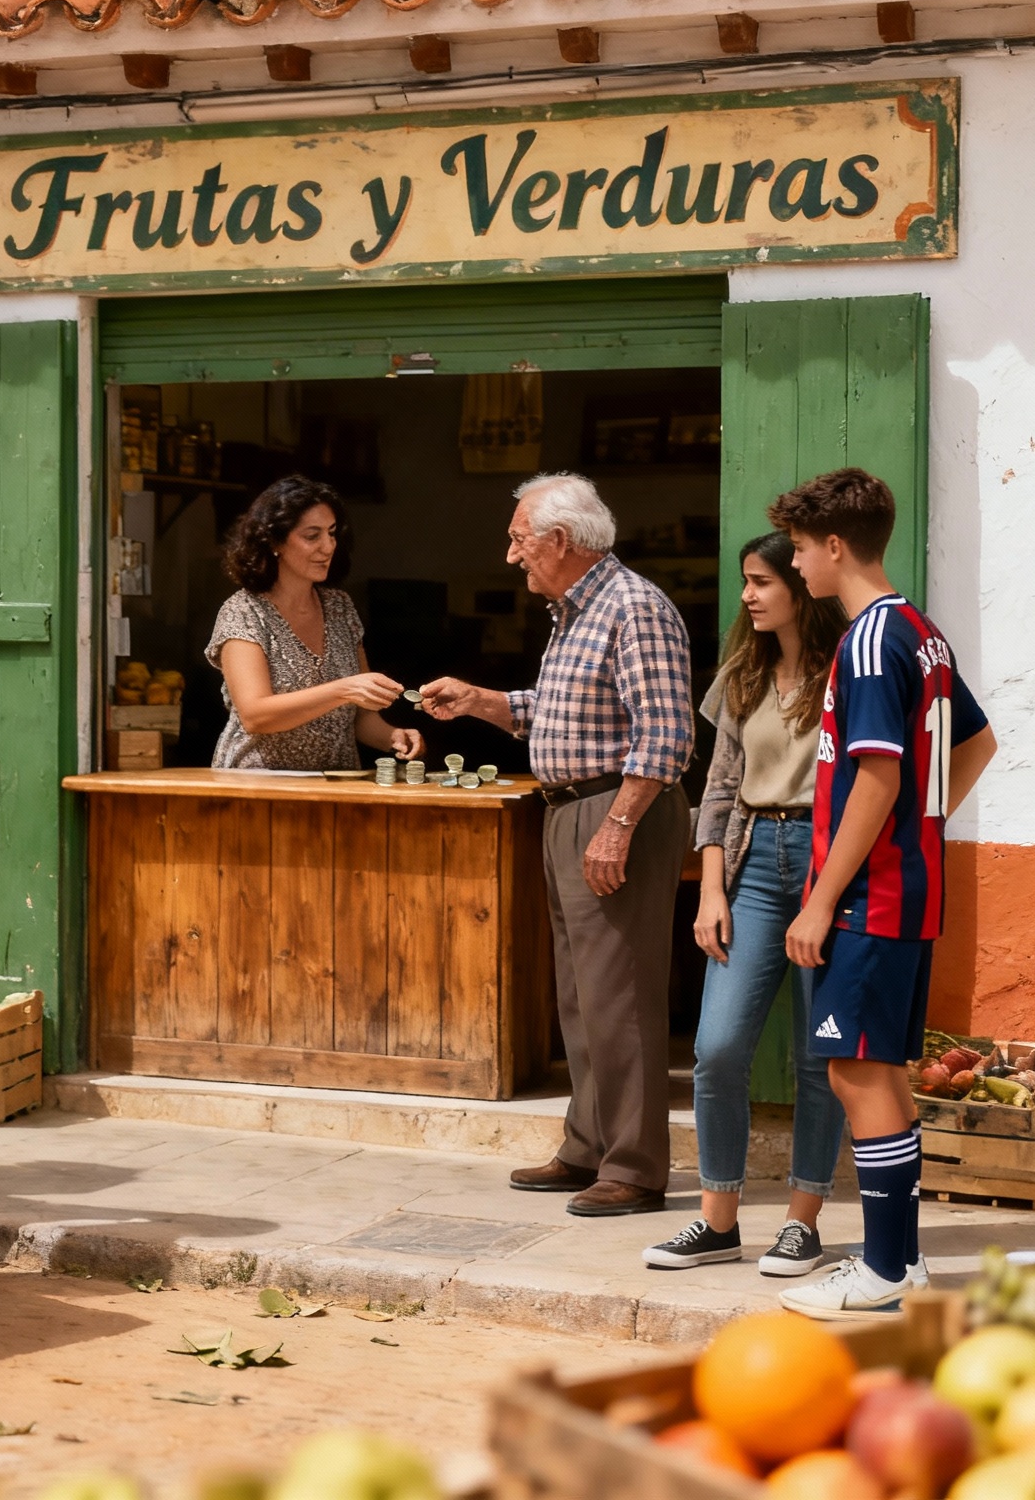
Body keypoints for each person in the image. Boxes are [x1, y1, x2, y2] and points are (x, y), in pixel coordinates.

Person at [421, 472, 694, 1219]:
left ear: (561, 541)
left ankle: (635, 1169)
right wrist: (481, 702)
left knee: (622, 995)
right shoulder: (577, 611)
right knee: (581, 996)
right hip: (572, 806)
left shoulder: (633, 607)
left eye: (518, 540)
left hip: (615, 810)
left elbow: (666, 734)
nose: (512, 557)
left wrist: (618, 824)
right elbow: (573, 712)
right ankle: (588, 1146)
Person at [768, 469, 995, 1320]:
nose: (794, 567)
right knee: (880, 1074)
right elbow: (976, 744)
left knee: (855, 1072)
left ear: (834, 545)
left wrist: (821, 899)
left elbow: (876, 774)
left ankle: (884, 1269)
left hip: (869, 898)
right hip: (909, 888)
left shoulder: (868, 640)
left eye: (797, 550)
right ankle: (901, 1263)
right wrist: (920, 831)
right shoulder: (921, 633)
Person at [642, 533, 847, 1278]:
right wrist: (712, 889)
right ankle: (718, 1221)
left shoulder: (848, 673)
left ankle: (802, 1221)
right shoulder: (742, 676)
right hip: (756, 861)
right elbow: (720, 790)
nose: (749, 596)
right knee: (718, 1047)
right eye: (745, 583)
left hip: (831, 871)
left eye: (761, 581)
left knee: (819, 1058)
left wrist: (826, 895)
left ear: (800, 584)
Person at [207, 475, 423, 770]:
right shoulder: (244, 612)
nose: (328, 546)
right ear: (274, 541)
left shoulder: (339, 607)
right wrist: (344, 689)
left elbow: (362, 717)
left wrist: (393, 736)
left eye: (332, 533)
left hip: (335, 790)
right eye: (312, 536)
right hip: (259, 789)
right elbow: (256, 715)